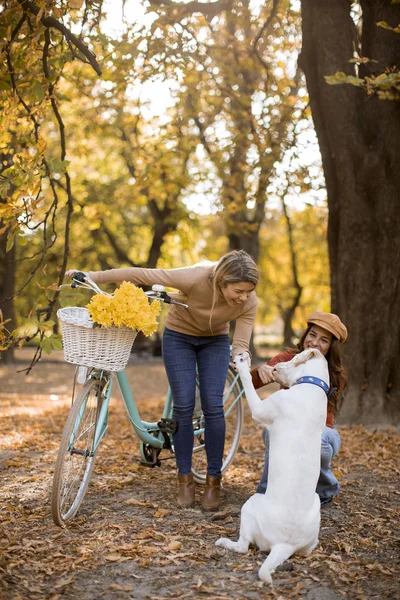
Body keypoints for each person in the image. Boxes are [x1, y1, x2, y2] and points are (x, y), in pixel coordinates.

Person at [66, 250, 259, 511]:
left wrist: (241, 356)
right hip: (179, 337)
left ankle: (214, 480)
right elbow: (141, 274)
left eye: (249, 291)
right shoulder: (195, 277)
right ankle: (185, 479)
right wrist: (93, 276)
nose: (244, 296)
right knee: (184, 404)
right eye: (240, 290)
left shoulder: (248, 302)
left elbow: (241, 344)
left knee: (213, 406)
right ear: (222, 280)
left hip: (215, 342)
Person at [250, 311, 347, 507]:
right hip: (287, 424)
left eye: (324, 340)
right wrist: (262, 370)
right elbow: (254, 382)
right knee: (273, 431)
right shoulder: (288, 358)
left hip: (322, 430)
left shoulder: (334, 373)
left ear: (331, 347)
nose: (314, 343)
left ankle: (325, 488)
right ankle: (266, 490)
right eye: (312, 335)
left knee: (317, 442)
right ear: (305, 335)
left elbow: (318, 415)